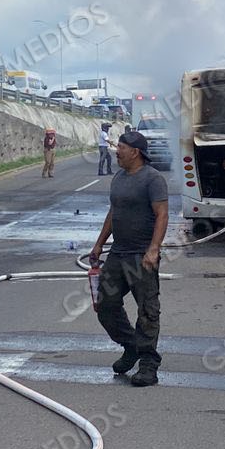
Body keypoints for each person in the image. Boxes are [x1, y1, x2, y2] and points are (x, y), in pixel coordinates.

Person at [87, 130, 169, 388]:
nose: (116, 151)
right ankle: (131, 345)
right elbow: (114, 212)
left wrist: (154, 249)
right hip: (118, 253)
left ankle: (148, 364)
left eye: (120, 147)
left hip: (141, 256)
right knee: (105, 305)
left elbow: (162, 215)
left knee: (147, 309)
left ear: (135, 152)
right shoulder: (119, 178)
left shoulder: (153, 179)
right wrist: (99, 244)